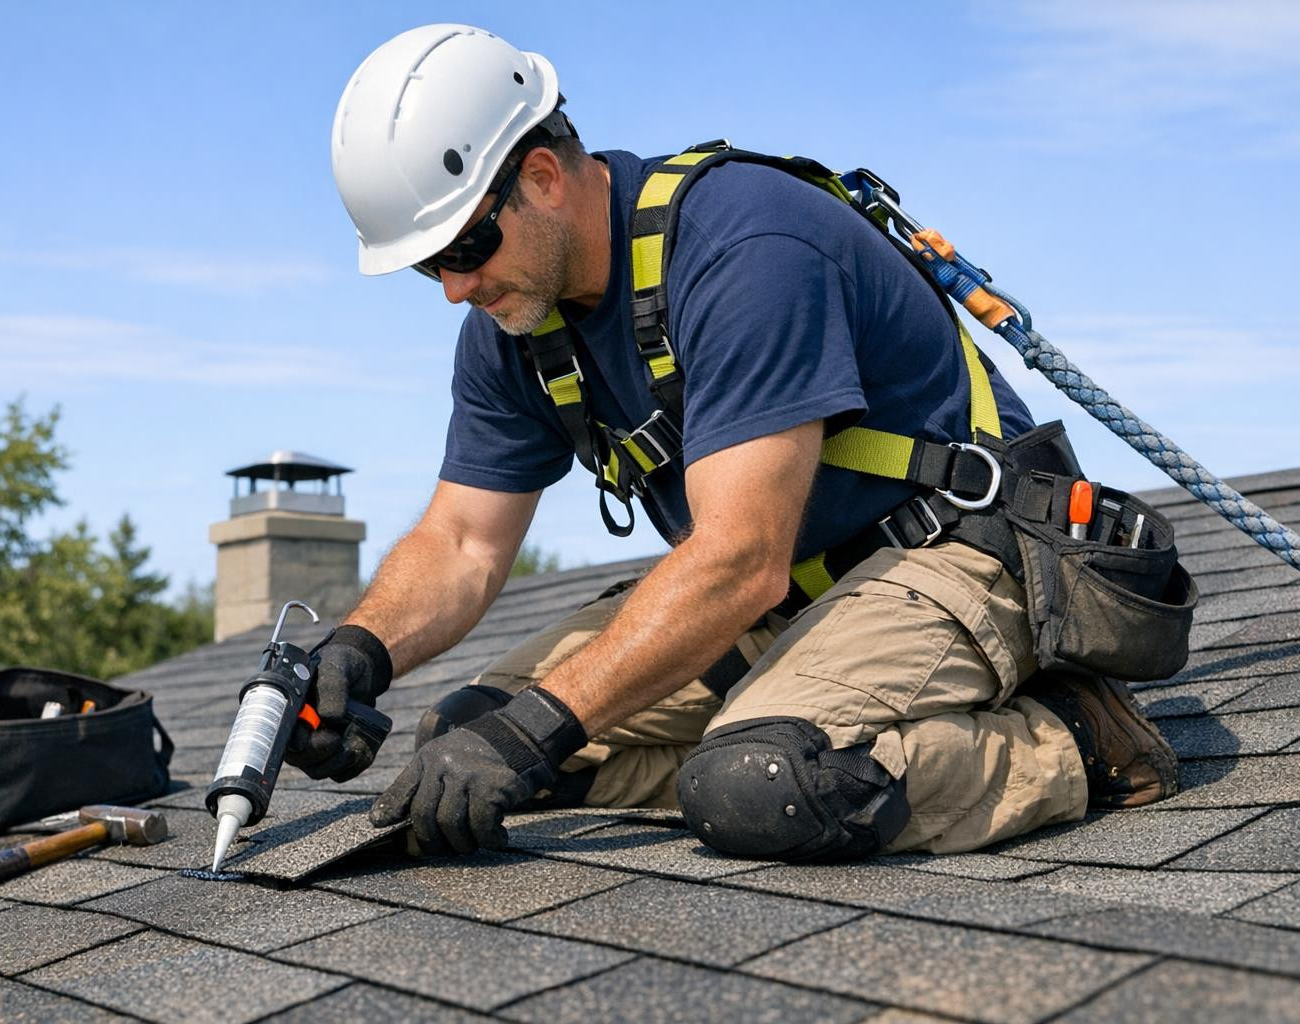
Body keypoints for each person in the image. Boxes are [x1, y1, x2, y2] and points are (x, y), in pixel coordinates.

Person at [288, 23, 1179, 861]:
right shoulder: (513, 323)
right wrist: (357, 652)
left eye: (468, 243)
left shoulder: (744, 246)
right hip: (786, 600)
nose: (453, 286)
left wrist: (541, 727)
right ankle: (772, 736)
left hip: (952, 556)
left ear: (545, 177)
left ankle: (1072, 739)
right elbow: (462, 543)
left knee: (767, 786)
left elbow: (740, 558)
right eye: (426, 263)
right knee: (466, 741)